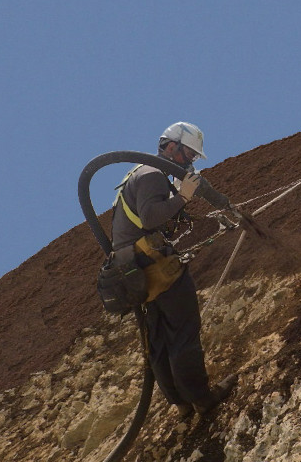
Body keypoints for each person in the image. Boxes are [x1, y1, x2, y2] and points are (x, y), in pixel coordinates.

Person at [111, 121, 235, 417]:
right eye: (187, 154)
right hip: (154, 264)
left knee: (159, 339)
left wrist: (178, 194)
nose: (190, 160)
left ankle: (179, 403)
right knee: (183, 332)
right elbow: (152, 218)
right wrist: (182, 198)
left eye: (193, 157)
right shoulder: (152, 174)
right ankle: (202, 398)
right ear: (169, 146)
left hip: (135, 269)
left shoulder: (139, 174)